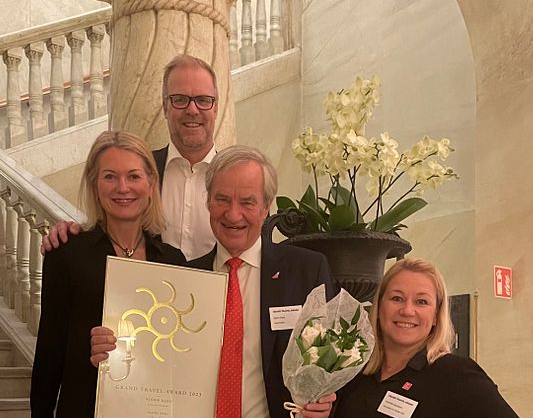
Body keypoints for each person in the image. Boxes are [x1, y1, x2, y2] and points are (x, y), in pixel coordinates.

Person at [90, 145, 340, 418]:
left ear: (266, 207)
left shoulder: (307, 272)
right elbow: (156, 361)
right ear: (207, 201)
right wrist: (113, 349)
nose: (233, 215)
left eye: (247, 202)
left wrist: (327, 404)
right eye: (222, 199)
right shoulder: (182, 279)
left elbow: (337, 360)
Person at [30, 131, 187, 418]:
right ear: (95, 185)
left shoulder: (173, 263)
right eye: (110, 176)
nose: (122, 187)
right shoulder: (66, 254)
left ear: (151, 183)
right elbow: (50, 352)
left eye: (134, 176)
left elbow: (180, 358)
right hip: (83, 407)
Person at [42, 54, 218, 260]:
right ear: (165, 107)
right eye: (179, 99)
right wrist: (69, 231)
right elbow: (109, 230)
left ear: (215, 107)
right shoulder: (138, 173)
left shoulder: (236, 181)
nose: (192, 110)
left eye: (203, 100)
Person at [331, 258, 518, 417]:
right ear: (379, 307)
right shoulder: (354, 372)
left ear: (436, 315)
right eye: (397, 298)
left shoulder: (456, 375)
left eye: (421, 302)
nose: (407, 311)